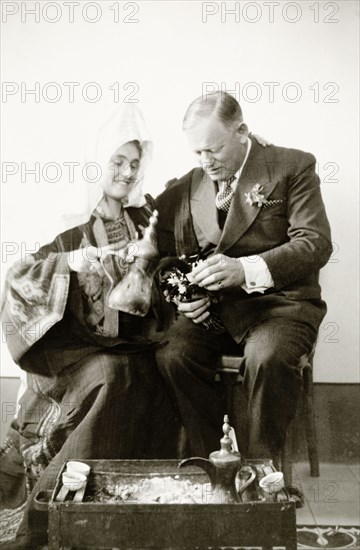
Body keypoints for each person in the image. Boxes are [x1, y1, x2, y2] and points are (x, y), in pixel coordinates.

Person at [0, 105, 176, 548]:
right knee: (112, 379)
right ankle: (52, 510)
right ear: (95, 160)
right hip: (72, 351)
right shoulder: (66, 220)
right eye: (117, 161)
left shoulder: (145, 215)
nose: (127, 172)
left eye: (134, 163)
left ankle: (121, 509)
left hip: (133, 345)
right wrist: (70, 263)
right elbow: (18, 280)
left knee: (150, 374)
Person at [155, 91, 332, 466]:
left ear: (242, 131)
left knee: (267, 358)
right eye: (197, 153)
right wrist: (182, 295)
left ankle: (261, 472)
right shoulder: (187, 185)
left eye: (213, 150)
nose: (206, 162)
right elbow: (167, 254)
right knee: (172, 354)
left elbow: (315, 243)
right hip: (215, 313)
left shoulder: (292, 166)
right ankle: (211, 463)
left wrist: (245, 269)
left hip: (281, 308)